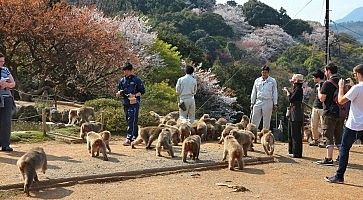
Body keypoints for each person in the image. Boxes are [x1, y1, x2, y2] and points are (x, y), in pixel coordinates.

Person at [325, 64, 363, 183]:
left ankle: (339, 176)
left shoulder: (357, 88)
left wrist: (341, 87)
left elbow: (341, 100)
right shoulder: (356, 88)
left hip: (353, 124)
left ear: (358, 74)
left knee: (345, 149)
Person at [315, 63, 344, 165]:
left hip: (330, 113)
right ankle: (341, 157)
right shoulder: (341, 81)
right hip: (341, 113)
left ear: (328, 71)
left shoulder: (327, 83)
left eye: (325, 71)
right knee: (338, 136)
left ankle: (329, 159)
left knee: (328, 135)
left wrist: (319, 90)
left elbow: (322, 98)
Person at [116, 62, 145, 146]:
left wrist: (135, 95)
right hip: (125, 102)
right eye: (124, 71)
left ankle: (129, 138)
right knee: (128, 119)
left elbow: (142, 91)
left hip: (134, 102)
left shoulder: (136, 80)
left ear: (131, 70)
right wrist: (119, 93)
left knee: (132, 119)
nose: (126, 72)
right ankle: (135, 136)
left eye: (127, 71)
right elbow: (120, 90)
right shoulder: (122, 80)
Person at [250, 65, 278, 130]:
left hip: (268, 101)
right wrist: (252, 102)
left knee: (266, 120)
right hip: (258, 100)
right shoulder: (257, 80)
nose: (264, 74)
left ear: (268, 73)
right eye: (263, 72)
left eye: (265, 72)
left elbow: (275, 92)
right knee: (254, 118)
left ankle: (265, 136)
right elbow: (254, 92)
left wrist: (275, 103)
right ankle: (252, 134)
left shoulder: (272, 81)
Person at [284, 74, 304, 158]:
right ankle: (292, 151)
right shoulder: (297, 89)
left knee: (295, 134)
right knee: (292, 133)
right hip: (294, 112)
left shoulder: (299, 89)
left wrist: (288, 92)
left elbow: (291, 99)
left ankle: (296, 153)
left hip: (296, 113)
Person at [0, 53, 16, 151]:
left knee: (6, 121)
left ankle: (5, 144)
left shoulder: (5, 69)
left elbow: (13, 83)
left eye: (3, 61)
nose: (2, 63)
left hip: (6, 97)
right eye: (0, 61)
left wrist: (6, 84)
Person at [309, 69, 325, 146]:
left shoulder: (324, 84)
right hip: (315, 107)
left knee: (323, 125)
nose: (313, 78)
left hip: (322, 108)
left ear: (318, 77)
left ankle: (324, 141)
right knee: (313, 125)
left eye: (314, 77)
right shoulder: (316, 85)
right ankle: (315, 139)